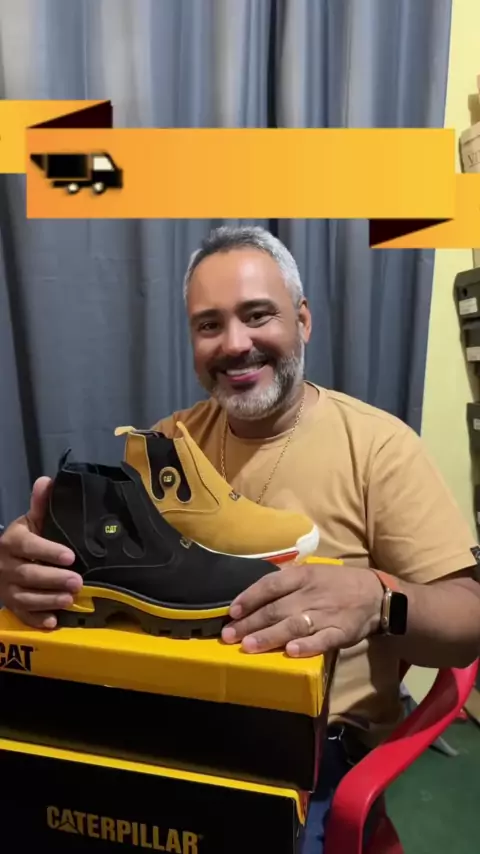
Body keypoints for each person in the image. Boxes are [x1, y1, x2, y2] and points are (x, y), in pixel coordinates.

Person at [1, 225, 479, 852]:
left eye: (257, 316)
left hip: (314, 754)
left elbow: (470, 618)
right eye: (209, 325)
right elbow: (110, 574)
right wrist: (30, 566)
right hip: (166, 728)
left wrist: (380, 600)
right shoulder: (166, 446)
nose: (234, 344)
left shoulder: (379, 448)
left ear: (302, 321)